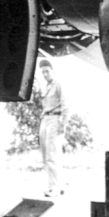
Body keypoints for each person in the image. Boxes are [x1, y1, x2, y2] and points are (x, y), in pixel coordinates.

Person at [38, 59, 68, 197]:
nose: (45, 74)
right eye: (43, 72)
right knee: (46, 155)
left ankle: (54, 188)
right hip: (45, 119)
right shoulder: (44, 87)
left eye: (47, 71)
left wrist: (63, 124)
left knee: (52, 155)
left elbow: (65, 106)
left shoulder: (59, 84)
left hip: (55, 119)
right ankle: (58, 185)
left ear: (53, 71)